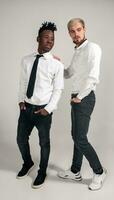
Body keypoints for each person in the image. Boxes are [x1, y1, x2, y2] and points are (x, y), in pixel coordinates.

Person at [58, 18, 107, 191]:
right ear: (69, 33)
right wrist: (57, 65)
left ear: (84, 29)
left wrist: (80, 96)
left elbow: (93, 76)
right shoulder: (77, 51)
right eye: (72, 31)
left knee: (80, 137)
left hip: (84, 98)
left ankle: (99, 172)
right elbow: (69, 73)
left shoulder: (93, 48)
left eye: (79, 29)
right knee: (76, 135)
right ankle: (75, 170)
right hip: (76, 96)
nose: (76, 33)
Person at [16, 21, 64, 189]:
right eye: (46, 37)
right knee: (21, 139)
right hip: (26, 108)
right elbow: (23, 81)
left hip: (43, 111)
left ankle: (42, 171)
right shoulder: (26, 60)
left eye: (52, 39)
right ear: (38, 39)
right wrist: (21, 100)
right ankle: (28, 163)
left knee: (44, 143)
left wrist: (48, 109)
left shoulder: (57, 64)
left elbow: (58, 90)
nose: (50, 41)